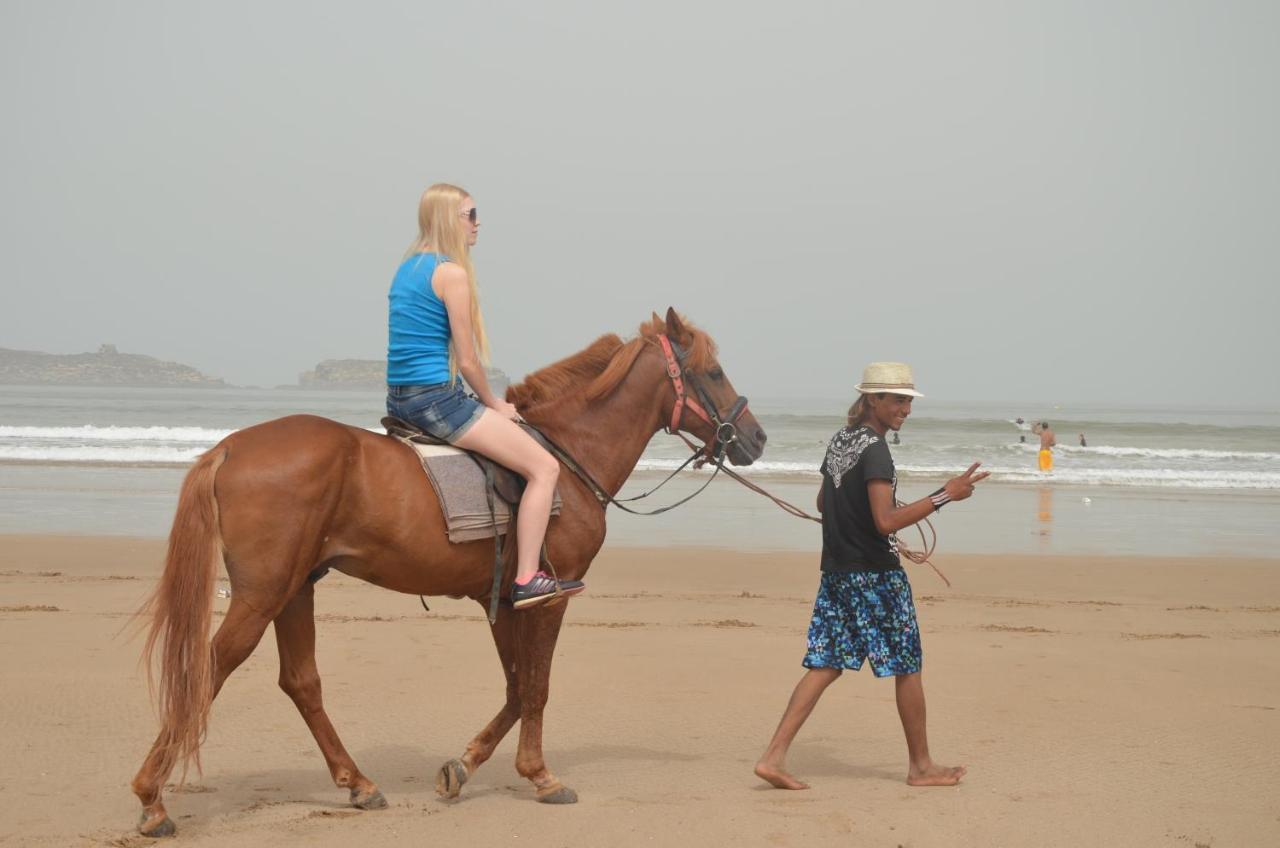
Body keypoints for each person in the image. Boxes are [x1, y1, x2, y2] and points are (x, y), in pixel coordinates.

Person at [755, 362, 988, 791]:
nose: (905, 409)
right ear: (872, 400)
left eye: (908, 400)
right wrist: (946, 495)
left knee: (825, 664)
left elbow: (826, 503)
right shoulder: (877, 450)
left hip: (837, 573)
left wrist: (852, 517)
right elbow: (885, 522)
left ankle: (773, 757)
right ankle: (920, 767)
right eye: (897, 400)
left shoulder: (842, 441)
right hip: (875, 577)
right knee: (908, 665)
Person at [386, 183, 583, 609]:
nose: (478, 224)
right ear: (448, 219)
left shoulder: (407, 268)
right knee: (544, 468)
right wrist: (495, 404)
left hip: (400, 400)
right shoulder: (451, 274)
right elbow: (469, 360)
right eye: (471, 215)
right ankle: (528, 577)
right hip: (437, 401)